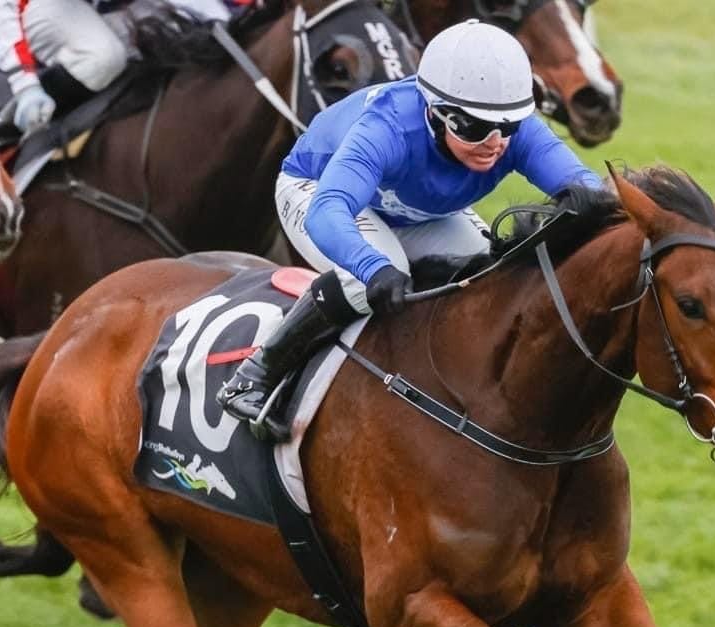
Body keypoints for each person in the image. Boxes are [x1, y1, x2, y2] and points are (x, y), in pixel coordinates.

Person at [215, 18, 606, 439]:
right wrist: (372, 266)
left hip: (412, 210)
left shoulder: (512, 131)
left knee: (491, 273)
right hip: (317, 190)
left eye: (507, 127)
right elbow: (329, 211)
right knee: (372, 278)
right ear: (435, 113)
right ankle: (256, 372)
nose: (495, 142)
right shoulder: (388, 128)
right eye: (473, 127)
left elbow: (591, 193)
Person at [0, 0, 246, 138]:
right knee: (103, 56)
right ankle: (11, 128)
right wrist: (25, 84)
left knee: (203, 28)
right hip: (47, 6)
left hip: (119, 8)